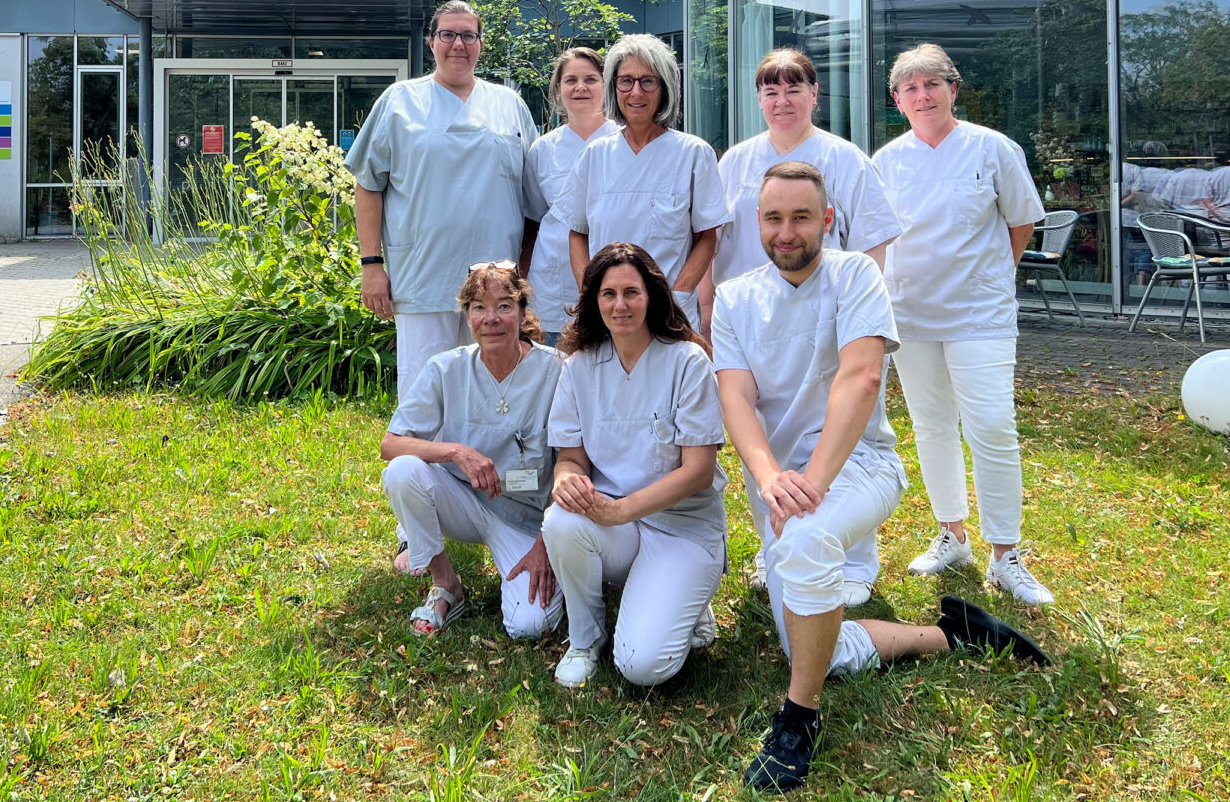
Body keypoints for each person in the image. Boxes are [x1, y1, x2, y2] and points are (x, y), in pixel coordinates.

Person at [715, 163, 1049, 793]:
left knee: (808, 539)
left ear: (827, 220)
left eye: (801, 217)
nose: (786, 231)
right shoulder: (734, 298)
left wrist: (812, 484)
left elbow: (862, 376)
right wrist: (769, 477)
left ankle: (799, 720)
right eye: (773, 217)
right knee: (812, 648)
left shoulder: (855, 275)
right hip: (782, 487)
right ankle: (953, 633)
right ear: (757, 222)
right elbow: (736, 397)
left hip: (861, 466)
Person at [702, 47, 902, 607]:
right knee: (767, 431)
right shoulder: (735, 162)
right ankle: (776, 544)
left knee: (839, 427)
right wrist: (713, 311)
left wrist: (855, 315)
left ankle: (854, 559)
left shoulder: (844, 159)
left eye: (794, 88)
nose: (782, 100)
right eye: (771, 90)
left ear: (815, 95)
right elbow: (716, 242)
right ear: (758, 98)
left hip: (830, 318)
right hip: (755, 321)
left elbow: (872, 244)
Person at [873, 44, 1053, 606]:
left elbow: (1021, 222)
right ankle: (952, 534)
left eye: (933, 84)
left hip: (980, 314)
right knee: (931, 425)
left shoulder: (992, 147)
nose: (922, 95)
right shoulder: (886, 161)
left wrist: (991, 275)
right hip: (910, 314)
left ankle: (1006, 554)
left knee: (993, 426)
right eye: (910, 88)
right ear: (897, 101)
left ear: (953, 89)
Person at [543, 242, 728, 689]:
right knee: (561, 522)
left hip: (682, 527)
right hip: (615, 526)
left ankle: (688, 599)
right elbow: (570, 457)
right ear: (594, 301)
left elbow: (699, 471)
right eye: (608, 294)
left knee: (642, 667)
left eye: (631, 292)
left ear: (652, 296)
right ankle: (585, 639)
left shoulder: (687, 361)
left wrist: (621, 510)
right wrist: (566, 480)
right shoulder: (579, 366)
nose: (620, 305)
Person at [347, 0, 543, 401]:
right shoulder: (399, 101)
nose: (458, 44)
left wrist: (523, 270)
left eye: (468, 35)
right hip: (424, 274)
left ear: (481, 43)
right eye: (448, 34)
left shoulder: (509, 105)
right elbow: (367, 185)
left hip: (496, 281)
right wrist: (371, 264)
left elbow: (531, 199)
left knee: (493, 389)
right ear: (431, 42)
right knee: (424, 392)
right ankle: (420, 448)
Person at [380, 263, 564, 639]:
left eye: (504, 306)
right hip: (463, 500)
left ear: (523, 313)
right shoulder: (446, 369)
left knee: (532, 626)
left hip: (528, 519)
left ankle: (530, 566)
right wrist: (456, 452)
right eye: (479, 307)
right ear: (467, 316)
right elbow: (391, 444)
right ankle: (446, 584)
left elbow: (577, 464)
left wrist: (547, 542)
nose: (490, 318)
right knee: (402, 472)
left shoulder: (557, 371)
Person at [565, 33, 728, 331]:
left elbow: (707, 237)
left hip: (670, 315)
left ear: (665, 88)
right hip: (609, 314)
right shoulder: (595, 155)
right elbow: (577, 233)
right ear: (614, 87)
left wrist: (677, 295)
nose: (636, 92)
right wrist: (591, 294)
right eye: (626, 81)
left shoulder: (693, 154)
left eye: (648, 81)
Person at [523, 48, 619, 341]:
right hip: (553, 286)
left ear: (606, 86)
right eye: (571, 80)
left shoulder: (624, 142)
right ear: (557, 90)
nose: (580, 87)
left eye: (590, 79)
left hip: (616, 281)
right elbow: (532, 222)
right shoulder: (543, 149)